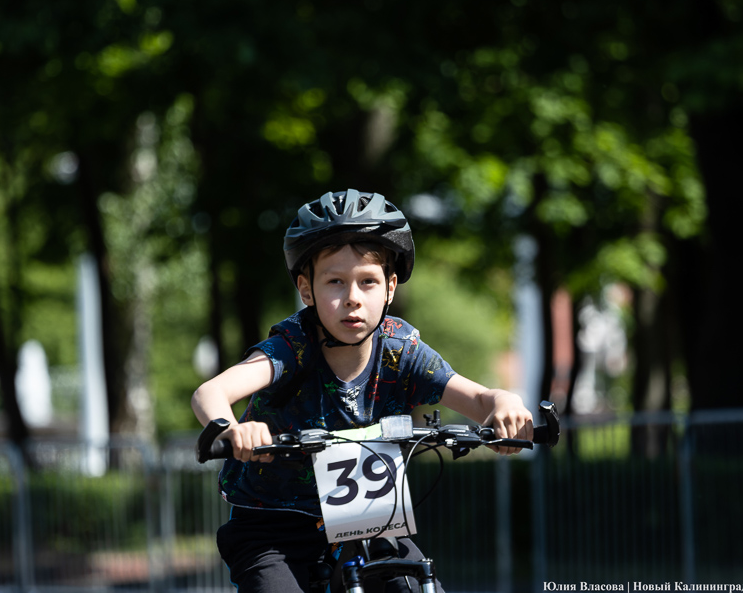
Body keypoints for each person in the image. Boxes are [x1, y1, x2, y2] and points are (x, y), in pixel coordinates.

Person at [191, 189, 534, 593]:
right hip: (273, 527)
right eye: (334, 282)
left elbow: (479, 400)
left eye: (367, 282)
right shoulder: (292, 347)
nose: (352, 299)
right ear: (307, 290)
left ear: (390, 288)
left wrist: (505, 402)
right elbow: (210, 392)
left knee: (418, 586)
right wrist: (231, 428)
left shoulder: (402, 350)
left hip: (367, 519)